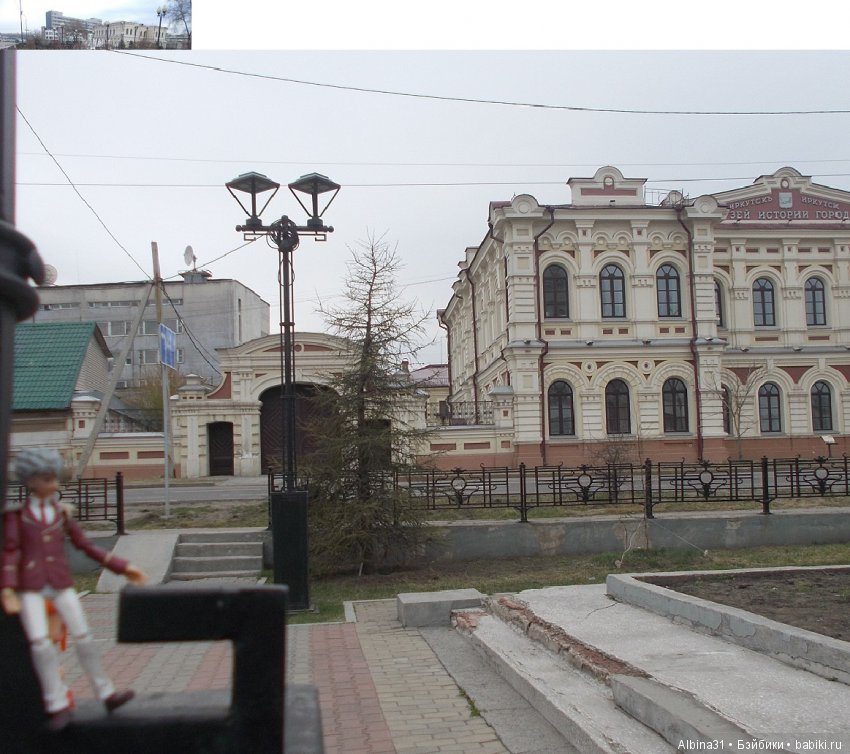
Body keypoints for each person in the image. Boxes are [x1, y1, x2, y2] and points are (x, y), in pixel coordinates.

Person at [1, 447, 147, 731]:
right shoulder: (17, 517)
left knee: (84, 637)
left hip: (60, 584)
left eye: (54, 478)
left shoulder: (61, 514)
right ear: (30, 481)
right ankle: (55, 702)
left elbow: (85, 546)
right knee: (40, 644)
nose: (54, 484)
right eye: (47, 479)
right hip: (31, 588)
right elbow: (10, 553)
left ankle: (106, 693)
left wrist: (122, 566)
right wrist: (8, 590)